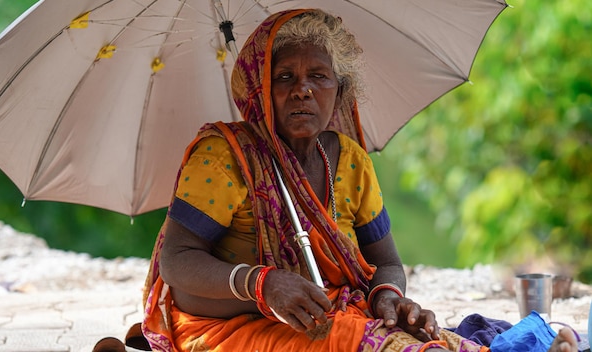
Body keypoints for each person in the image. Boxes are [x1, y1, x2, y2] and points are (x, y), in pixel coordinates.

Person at [139, 9, 580, 352]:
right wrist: (263, 284)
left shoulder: (349, 161)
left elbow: (386, 261)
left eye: (318, 77)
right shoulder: (225, 157)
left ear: (340, 90)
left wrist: (387, 297)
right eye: (284, 77)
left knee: (432, 340)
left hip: (330, 315)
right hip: (227, 327)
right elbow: (177, 263)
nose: (302, 90)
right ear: (259, 91)